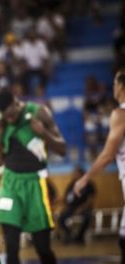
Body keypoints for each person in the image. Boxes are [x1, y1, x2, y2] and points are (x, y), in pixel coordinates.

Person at [0, 89, 67, 264]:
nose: (9, 119)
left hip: (35, 184)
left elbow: (62, 150)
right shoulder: (0, 121)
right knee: (11, 246)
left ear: (16, 103)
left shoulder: (40, 113)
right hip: (10, 184)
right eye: (5, 116)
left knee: (42, 248)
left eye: (11, 115)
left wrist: (43, 133)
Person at [74, 69, 125, 262]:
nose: (112, 86)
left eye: (114, 83)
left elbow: (107, 155)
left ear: (120, 86)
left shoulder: (120, 114)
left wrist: (85, 178)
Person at [58, 165, 95, 244]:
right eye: (73, 173)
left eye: (75, 173)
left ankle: (80, 237)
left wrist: (81, 208)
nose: (73, 174)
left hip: (84, 208)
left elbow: (90, 199)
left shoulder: (89, 184)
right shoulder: (71, 184)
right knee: (61, 218)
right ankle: (70, 235)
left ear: (81, 174)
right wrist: (65, 206)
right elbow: (67, 198)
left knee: (87, 217)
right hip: (72, 208)